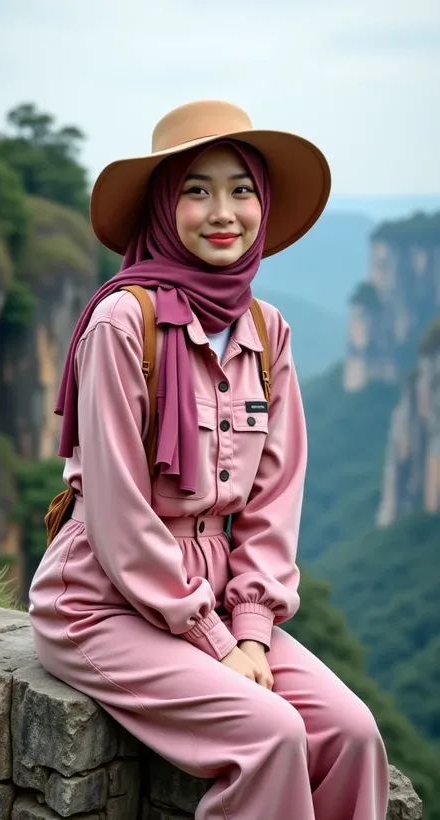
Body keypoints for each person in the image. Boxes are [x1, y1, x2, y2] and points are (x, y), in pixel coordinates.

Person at [29, 100, 389, 820]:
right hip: (103, 602)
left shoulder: (266, 329)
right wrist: (215, 643)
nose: (222, 211)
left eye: (242, 189)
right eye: (196, 189)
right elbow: (119, 512)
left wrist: (250, 628)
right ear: (164, 206)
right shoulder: (123, 323)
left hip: (222, 597)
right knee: (272, 734)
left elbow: (272, 503)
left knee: (355, 734)